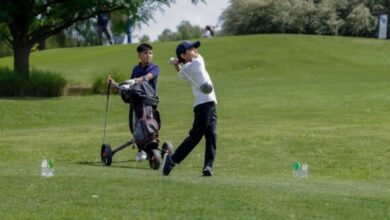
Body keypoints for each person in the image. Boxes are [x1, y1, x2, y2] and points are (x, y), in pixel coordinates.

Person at [163, 40, 217, 176]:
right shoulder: (198, 62)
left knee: (212, 136)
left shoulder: (187, 68)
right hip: (203, 104)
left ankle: (208, 167)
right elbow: (185, 68)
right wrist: (178, 62)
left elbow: (181, 72)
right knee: (196, 136)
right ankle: (172, 160)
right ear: (184, 55)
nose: (196, 51)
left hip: (210, 103)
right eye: (192, 49)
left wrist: (176, 63)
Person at [108, 43, 160, 161]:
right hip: (135, 102)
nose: (148, 55)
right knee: (135, 125)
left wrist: (135, 80)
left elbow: (148, 77)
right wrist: (116, 86)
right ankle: (141, 150)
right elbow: (129, 86)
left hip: (149, 101)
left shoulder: (155, 67)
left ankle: (152, 147)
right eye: (145, 53)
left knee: (150, 124)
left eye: (150, 53)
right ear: (139, 55)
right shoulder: (136, 69)